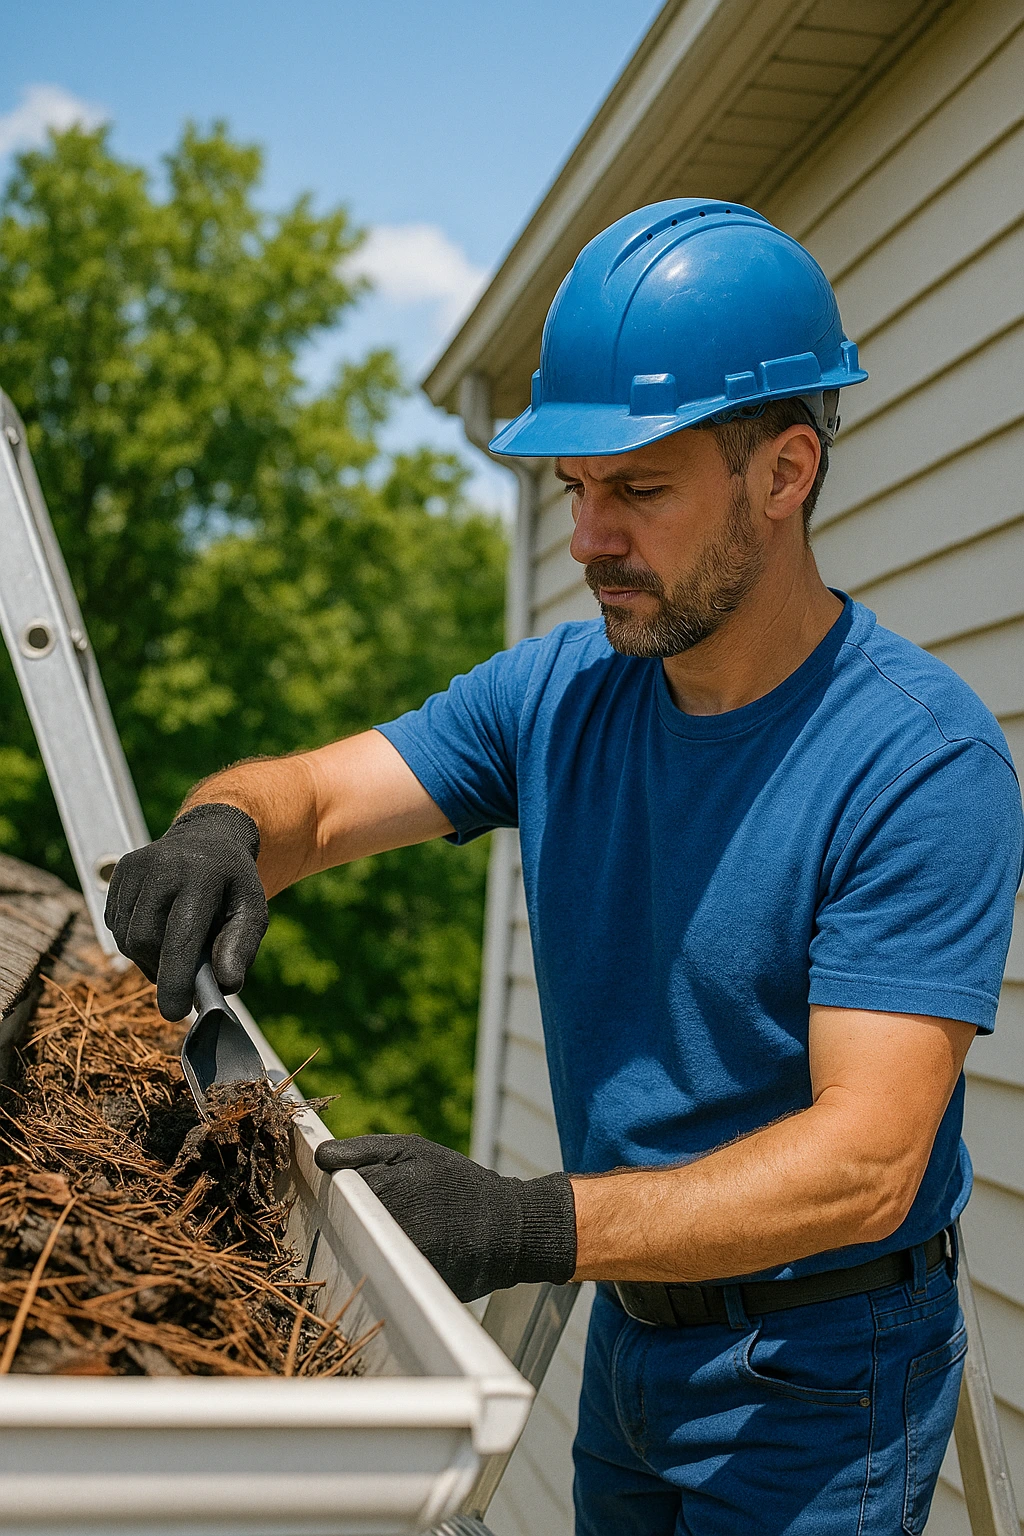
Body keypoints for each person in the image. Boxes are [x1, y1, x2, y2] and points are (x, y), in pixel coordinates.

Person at [107, 199, 1023, 1535]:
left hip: (822, 1372)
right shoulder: (566, 691)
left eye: (638, 490)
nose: (589, 539)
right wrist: (218, 830)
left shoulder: (915, 760)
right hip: (635, 1337)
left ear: (785, 473)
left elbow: (863, 1165)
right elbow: (308, 796)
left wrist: (527, 1227)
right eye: (574, 491)